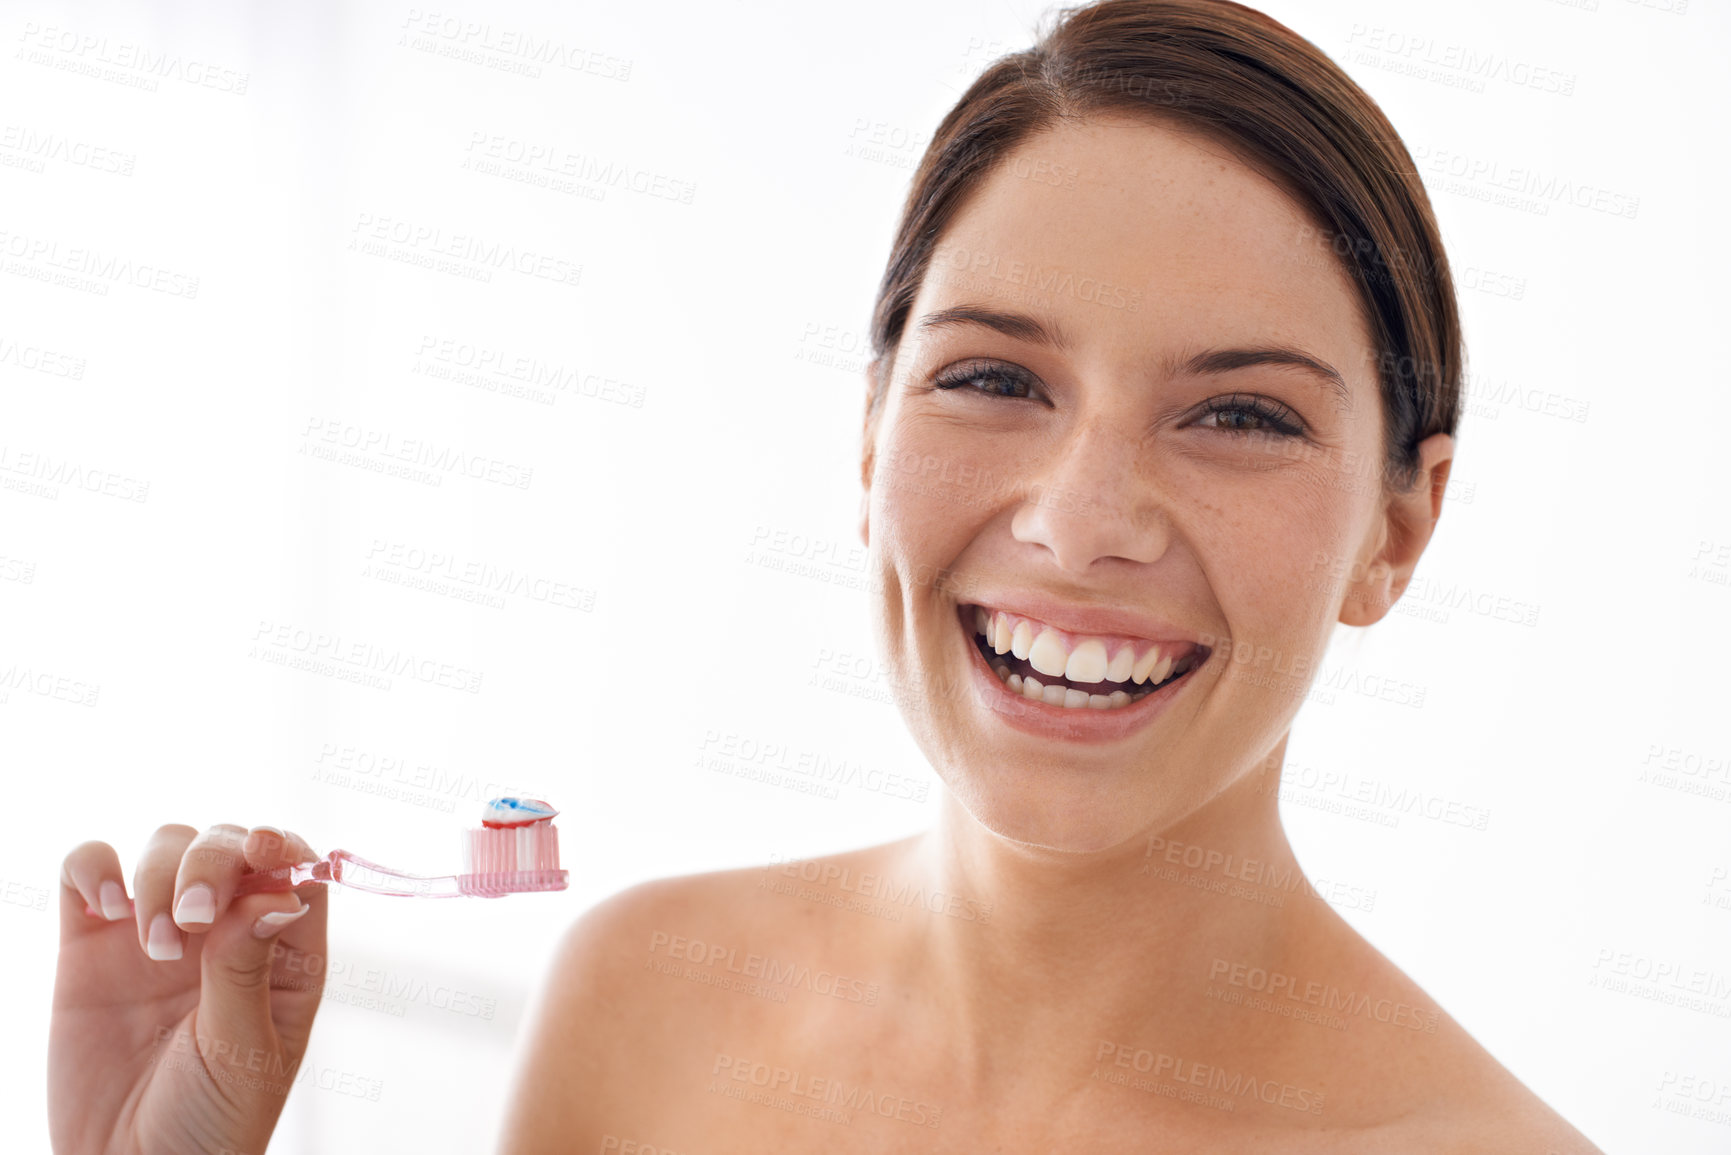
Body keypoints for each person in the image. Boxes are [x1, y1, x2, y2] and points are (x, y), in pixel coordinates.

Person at [50, 1, 1606, 1150]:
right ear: (869, 436)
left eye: (1241, 415)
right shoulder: (641, 1002)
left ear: (1403, 526)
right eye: (995, 380)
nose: (1083, 523)